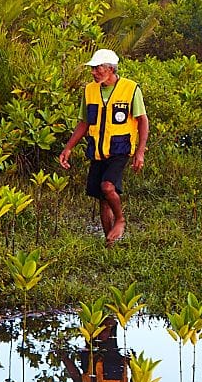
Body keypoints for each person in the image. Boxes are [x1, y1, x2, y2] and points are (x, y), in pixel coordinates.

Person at [58, 48, 149, 247]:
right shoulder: (89, 90)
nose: (93, 72)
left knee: (107, 187)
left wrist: (140, 152)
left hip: (120, 149)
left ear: (110, 68)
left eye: (97, 68)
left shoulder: (131, 89)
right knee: (102, 197)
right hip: (97, 150)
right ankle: (110, 242)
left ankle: (121, 219)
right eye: (92, 68)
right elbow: (84, 122)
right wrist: (68, 148)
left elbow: (143, 121)